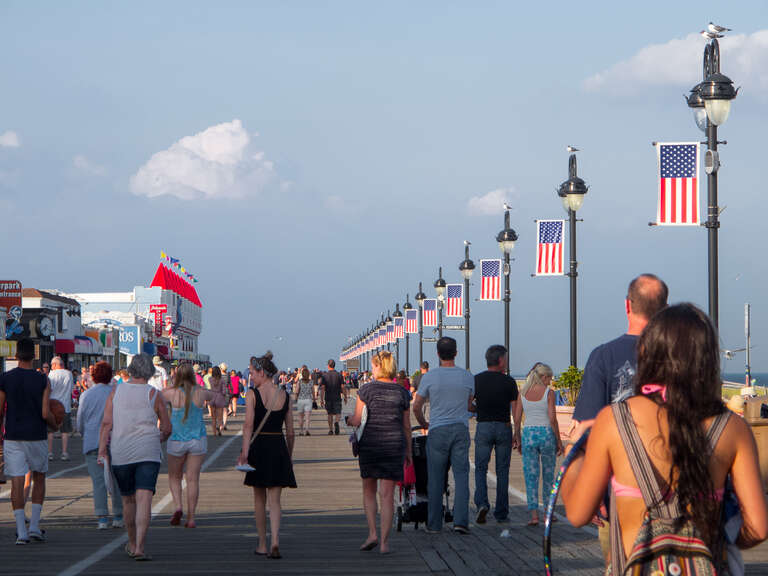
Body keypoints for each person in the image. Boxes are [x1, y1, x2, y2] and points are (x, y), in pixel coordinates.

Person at [561, 303, 768, 573]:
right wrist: (711, 544)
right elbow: (758, 527)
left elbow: (578, 514)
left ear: (647, 353)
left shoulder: (614, 420)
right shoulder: (731, 427)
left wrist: (572, 454)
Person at [570, 274, 668, 553]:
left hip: (620, 494)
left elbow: (588, 429)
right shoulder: (680, 356)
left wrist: (592, 492)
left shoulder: (603, 357)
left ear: (628, 306)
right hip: (675, 495)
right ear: (664, 309)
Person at [98, 353, 172, 561]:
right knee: (144, 499)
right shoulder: (155, 394)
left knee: (128, 500)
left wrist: (102, 449)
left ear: (131, 370)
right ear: (149, 372)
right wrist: (159, 439)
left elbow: (106, 423)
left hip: (121, 452)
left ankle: (131, 543)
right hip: (148, 452)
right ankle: (140, 546)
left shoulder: (116, 392)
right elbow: (167, 428)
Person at [346, 351, 411, 554]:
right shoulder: (402, 392)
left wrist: (347, 420)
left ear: (379, 367)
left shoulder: (366, 390)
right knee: (387, 494)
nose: (372, 370)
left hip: (371, 443)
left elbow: (357, 420)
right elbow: (406, 426)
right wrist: (408, 451)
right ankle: (384, 543)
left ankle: (372, 533)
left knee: (369, 490)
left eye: (374, 367)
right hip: (394, 444)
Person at [237, 351, 296, 559]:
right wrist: (288, 454)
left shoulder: (253, 394)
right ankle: (276, 541)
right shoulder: (284, 395)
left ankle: (262, 543)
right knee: (276, 501)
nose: (251, 376)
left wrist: (245, 451)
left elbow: (248, 425)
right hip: (277, 444)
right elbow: (290, 431)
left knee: (259, 499)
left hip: (259, 445)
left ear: (262, 372)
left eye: (253, 372)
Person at [412, 337, 474, 534]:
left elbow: (416, 406)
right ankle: (461, 522)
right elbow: (469, 405)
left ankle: (434, 523)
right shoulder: (467, 377)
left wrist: (423, 424)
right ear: (456, 353)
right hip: (460, 428)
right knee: (462, 476)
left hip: (437, 429)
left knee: (436, 478)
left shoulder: (430, 377)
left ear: (438, 354)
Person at [0, 338, 57, 544]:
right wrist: (56, 424)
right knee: (39, 478)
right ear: (34, 356)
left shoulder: (5, 378)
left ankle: (20, 531)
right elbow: (45, 412)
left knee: (16, 481)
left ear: (16, 355)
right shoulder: (43, 379)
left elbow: (0, 410)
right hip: (36, 434)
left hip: (13, 435)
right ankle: (34, 526)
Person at [469, 345, 519, 524]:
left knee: (481, 468)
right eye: (505, 358)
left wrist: (479, 409)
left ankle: (482, 503)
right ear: (500, 361)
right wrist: (517, 432)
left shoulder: (477, 380)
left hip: (483, 426)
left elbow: (468, 404)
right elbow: (516, 410)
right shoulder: (509, 382)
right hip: (503, 427)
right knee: (502, 471)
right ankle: (501, 512)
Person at [161, 364, 215, 528]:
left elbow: (157, 398)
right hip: (197, 440)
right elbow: (215, 396)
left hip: (176, 439)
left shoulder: (171, 392)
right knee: (192, 480)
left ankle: (178, 506)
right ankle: (191, 518)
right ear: (193, 375)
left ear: (176, 375)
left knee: (174, 477)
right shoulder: (200, 392)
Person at [513, 362, 561, 526]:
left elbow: (517, 419)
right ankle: (549, 513)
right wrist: (559, 441)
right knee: (548, 476)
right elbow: (553, 419)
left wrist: (517, 437)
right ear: (543, 377)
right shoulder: (549, 393)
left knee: (530, 476)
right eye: (549, 377)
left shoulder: (523, 393)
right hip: (546, 434)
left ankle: (534, 515)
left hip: (529, 435)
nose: (550, 381)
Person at [77, 361, 123, 530]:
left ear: (94, 377)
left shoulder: (86, 395)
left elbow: (80, 420)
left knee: (98, 481)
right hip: (115, 440)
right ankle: (118, 515)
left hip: (92, 442)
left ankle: (102, 518)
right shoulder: (115, 393)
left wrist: (84, 433)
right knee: (117, 479)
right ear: (111, 376)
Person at [47, 356, 74, 461]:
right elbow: (71, 388)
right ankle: (64, 452)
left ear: (54, 364)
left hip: (53, 405)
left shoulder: (52, 374)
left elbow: (50, 388)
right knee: (65, 431)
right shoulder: (69, 374)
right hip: (65, 406)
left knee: (50, 431)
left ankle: (50, 452)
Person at [318, 359, 347, 435]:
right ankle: (336, 422)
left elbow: (323, 388)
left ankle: (331, 430)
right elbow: (343, 387)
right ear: (334, 365)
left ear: (328, 366)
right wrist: (345, 396)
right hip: (337, 397)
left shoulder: (324, 376)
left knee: (329, 414)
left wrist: (321, 399)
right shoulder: (339, 375)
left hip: (328, 397)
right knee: (338, 413)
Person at [293, 366, 315, 436]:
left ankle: (301, 431)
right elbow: (313, 392)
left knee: (300, 417)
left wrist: (296, 398)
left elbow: (296, 391)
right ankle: (307, 430)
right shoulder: (311, 382)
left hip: (300, 400)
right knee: (307, 417)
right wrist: (314, 399)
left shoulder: (299, 382)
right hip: (308, 400)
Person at [208, 366, 228, 435]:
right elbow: (224, 391)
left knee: (213, 418)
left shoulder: (210, 379)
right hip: (219, 398)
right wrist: (224, 395)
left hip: (212, 397)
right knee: (220, 417)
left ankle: (214, 433)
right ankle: (219, 428)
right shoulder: (222, 380)